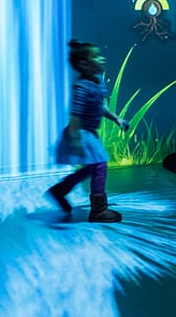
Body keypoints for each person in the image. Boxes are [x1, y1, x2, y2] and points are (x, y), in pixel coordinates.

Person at [46, 40, 129, 222]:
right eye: (96, 56)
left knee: (93, 167)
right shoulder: (82, 87)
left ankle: (60, 190)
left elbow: (100, 106)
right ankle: (98, 210)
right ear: (84, 64)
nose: (102, 58)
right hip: (81, 132)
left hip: (89, 132)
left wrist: (116, 119)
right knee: (100, 165)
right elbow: (76, 115)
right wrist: (75, 140)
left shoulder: (97, 82)